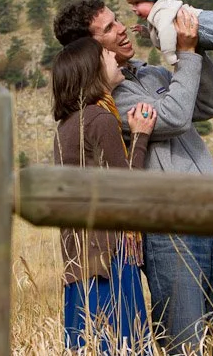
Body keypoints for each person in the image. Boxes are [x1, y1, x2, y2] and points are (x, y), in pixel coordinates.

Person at [53, 0, 213, 354]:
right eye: (108, 28)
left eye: (117, 20)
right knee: (186, 342)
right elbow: (173, 116)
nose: (122, 28)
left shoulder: (151, 74)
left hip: (211, 216)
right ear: (90, 48)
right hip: (170, 229)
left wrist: (191, 52)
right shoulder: (111, 102)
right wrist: (186, 57)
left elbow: (207, 105)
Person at [52, 36, 157, 354]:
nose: (114, 56)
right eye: (106, 55)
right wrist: (139, 137)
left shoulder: (67, 126)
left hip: (80, 263)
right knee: (124, 345)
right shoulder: (100, 120)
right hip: (111, 260)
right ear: (92, 71)